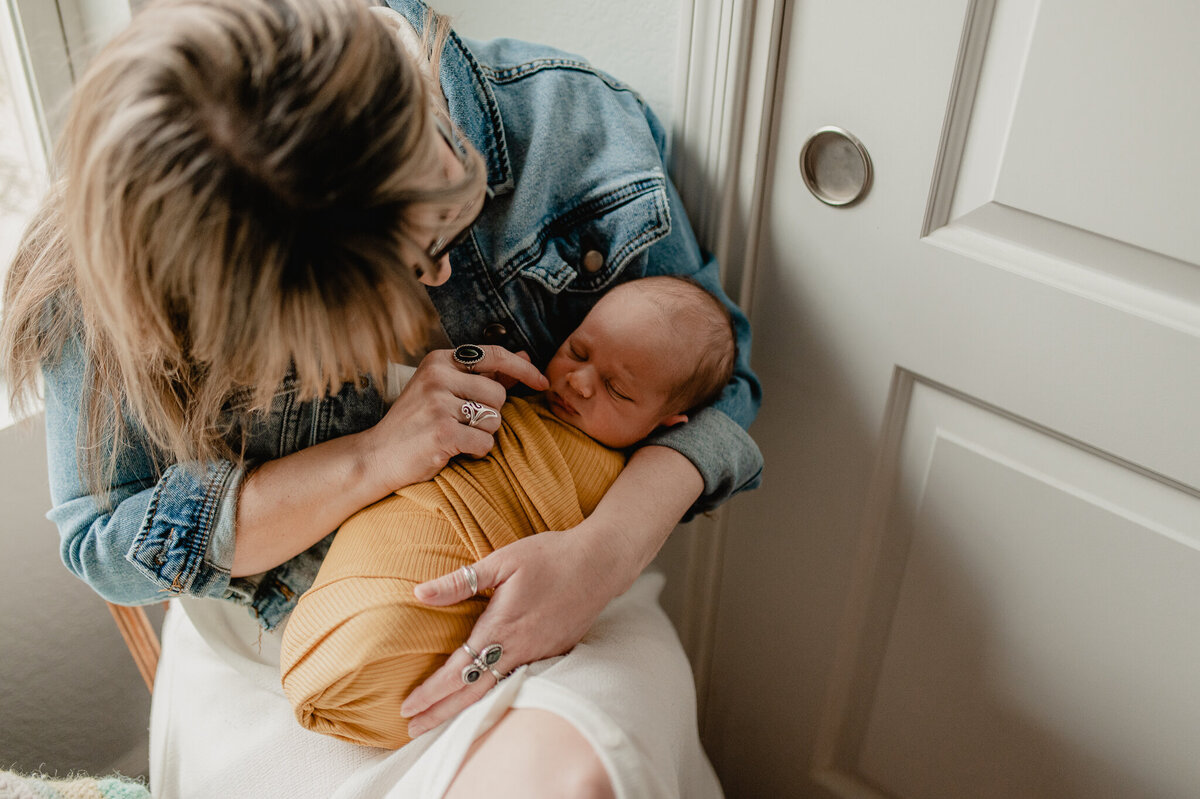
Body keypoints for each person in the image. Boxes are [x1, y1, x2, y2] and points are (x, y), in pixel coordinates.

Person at [0, 0, 762, 795]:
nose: (437, 279)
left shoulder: (572, 129)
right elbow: (103, 538)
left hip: (555, 565)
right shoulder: (105, 279)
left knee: (574, 782)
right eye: (399, 273)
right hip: (288, 628)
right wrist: (369, 458)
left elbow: (718, 389)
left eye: (439, 229)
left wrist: (599, 559)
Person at [281, 275, 736, 749]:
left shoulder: (622, 482)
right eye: (577, 351)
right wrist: (479, 399)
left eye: (617, 390)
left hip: (417, 643)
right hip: (339, 587)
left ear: (667, 424)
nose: (577, 381)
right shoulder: (508, 395)